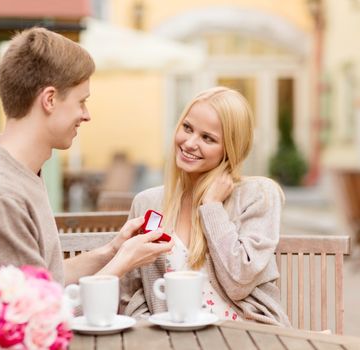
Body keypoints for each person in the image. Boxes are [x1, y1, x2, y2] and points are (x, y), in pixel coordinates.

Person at [0, 27, 173, 347]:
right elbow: (42, 320)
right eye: (82, 101)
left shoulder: (20, 171)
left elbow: (46, 282)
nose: (86, 115)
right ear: (50, 99)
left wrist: (111, 250)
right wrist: (123, 262)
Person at [120, 87, 290, 327]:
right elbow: (133, 291)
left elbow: (239, 280)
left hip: (244, 335)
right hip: (174, 337)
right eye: (187, 128)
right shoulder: (148, 203)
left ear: (229, 149)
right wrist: (151, 333)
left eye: (208, 138)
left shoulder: (259, 195)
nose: (189, 143)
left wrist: (212, 207)